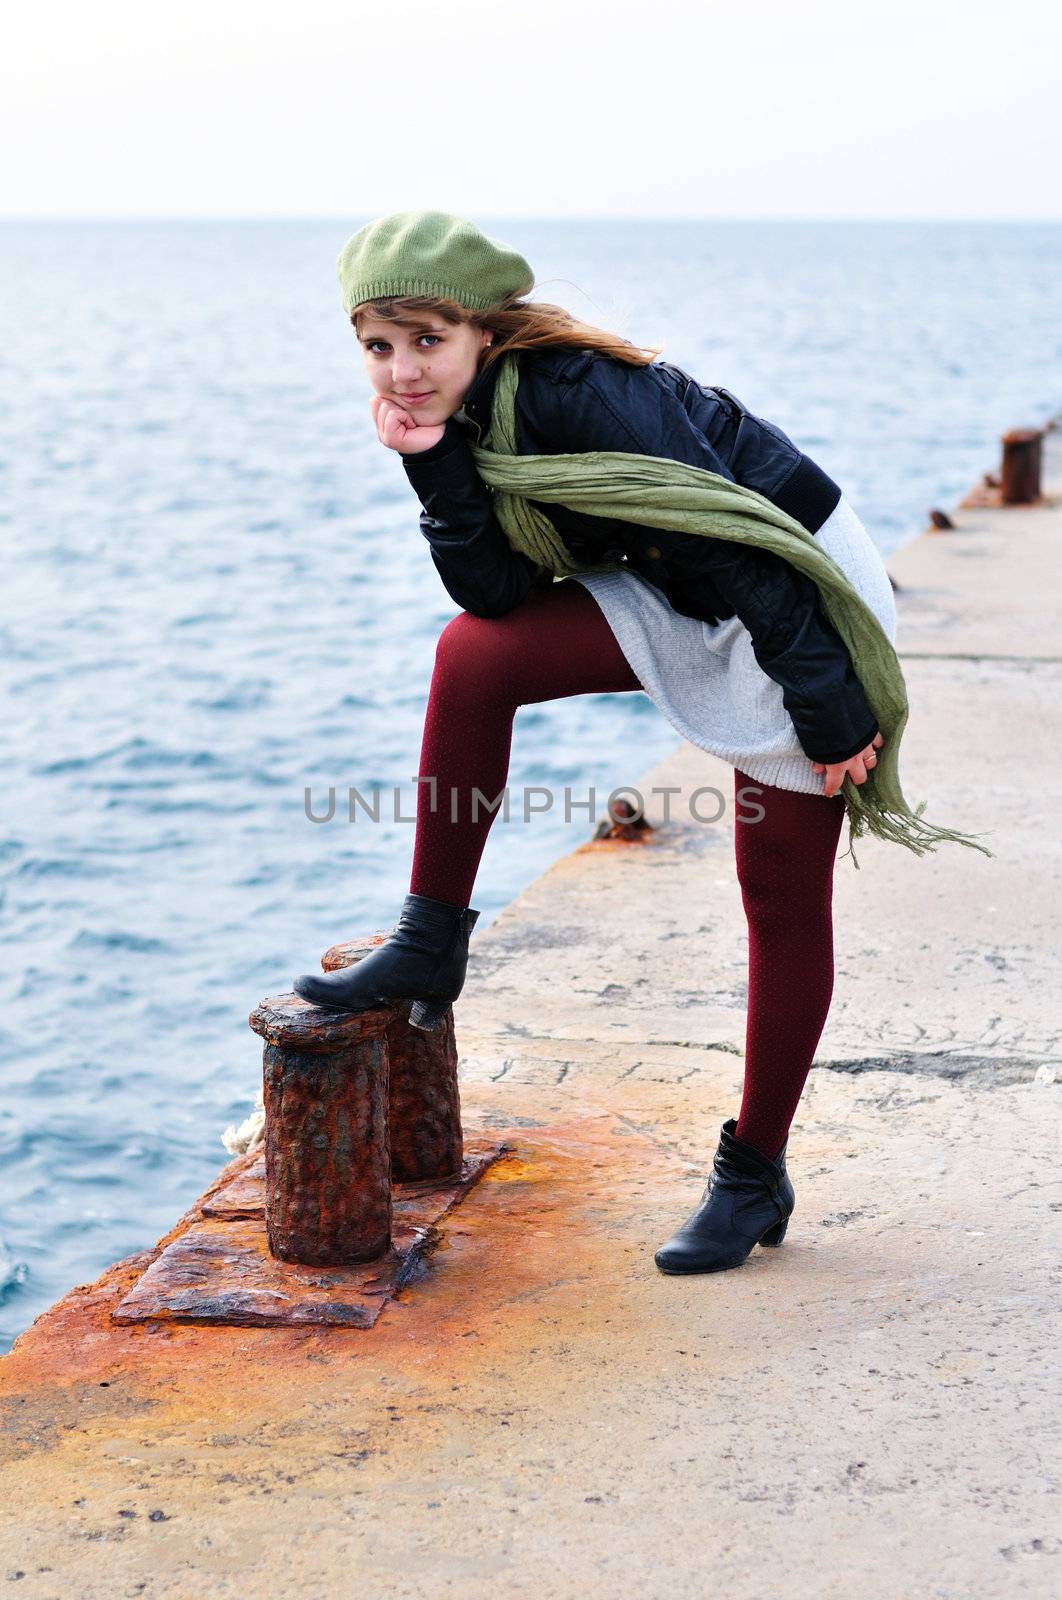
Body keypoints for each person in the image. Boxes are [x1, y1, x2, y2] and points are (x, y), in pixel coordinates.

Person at [293, 210, 894, 1275]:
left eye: (425, 340)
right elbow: (495, 590)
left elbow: (729, 527)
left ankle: (754, 1173)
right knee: (474, 654)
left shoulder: (578, 387)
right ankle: (433, 937)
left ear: (484, 329)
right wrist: (430, 466)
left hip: (796, 589)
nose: (401, 370)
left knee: (781, 893)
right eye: (376, 347)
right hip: (683, 581)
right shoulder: (463, 415)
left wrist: (831, 698)